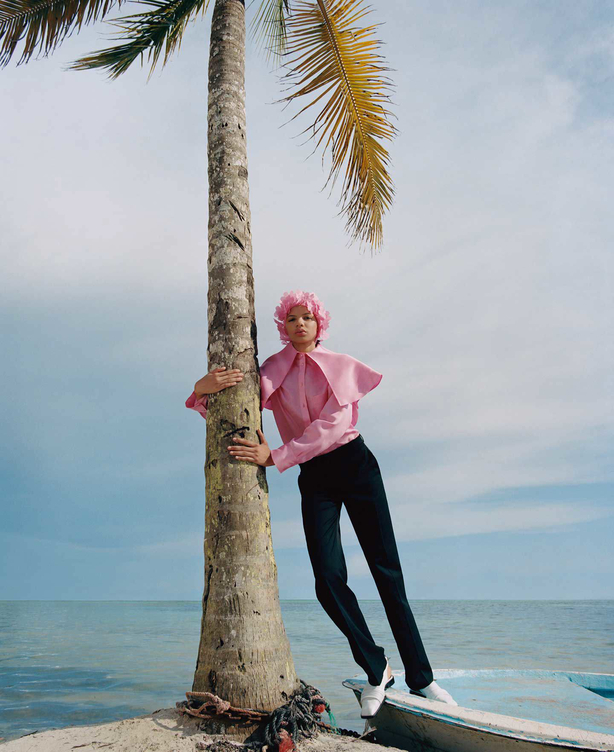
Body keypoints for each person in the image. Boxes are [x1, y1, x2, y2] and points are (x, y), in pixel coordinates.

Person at [186, 290, 457, 717]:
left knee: (387, 571)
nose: (299, 324)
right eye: (291, 318)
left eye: (307, 317)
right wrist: (200, 391)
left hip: (355, 465)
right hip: (315, 479)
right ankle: (377, 669)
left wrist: (276, 455)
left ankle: (422, 678)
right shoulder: (271, 370)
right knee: (327, 580)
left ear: (319, 324)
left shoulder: (338, 365)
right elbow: (235, 408)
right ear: (283, 325)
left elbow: (334, 425)